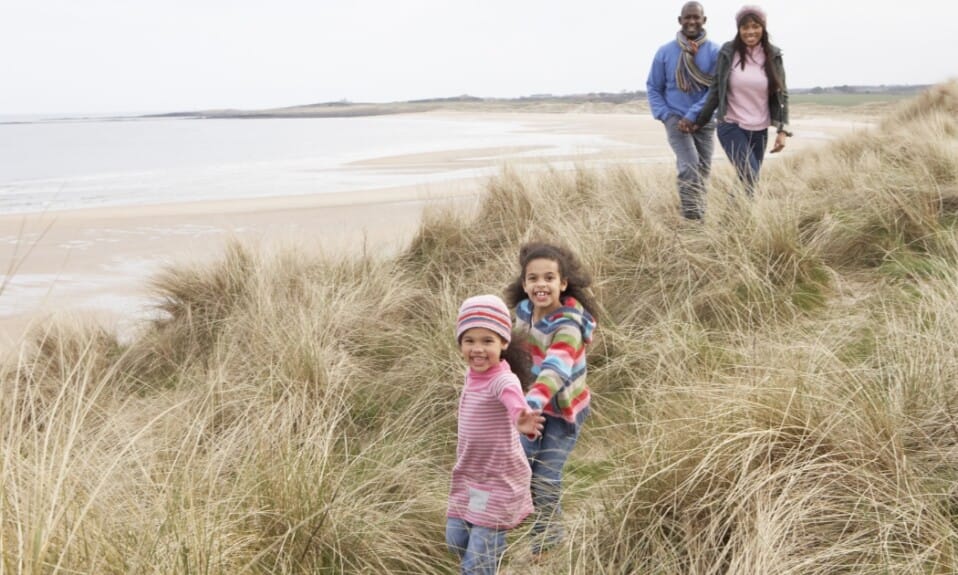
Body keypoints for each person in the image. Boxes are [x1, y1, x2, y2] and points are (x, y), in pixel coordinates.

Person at [504, 242, 598, 559]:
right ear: (524, 284)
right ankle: (502, 524)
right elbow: (512, 356)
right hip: (530, 408)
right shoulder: (523, 314)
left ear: (562, 283)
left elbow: (554, 371)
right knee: (519, 465)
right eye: (533, 278)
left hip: (563, 414)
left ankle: (547, 542)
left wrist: (529, 404)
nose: (540, 285)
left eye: (548, 278)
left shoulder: (568, 325)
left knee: (545, 477)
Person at [446, 294, 545, 575]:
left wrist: (521, 418)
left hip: (498, 481)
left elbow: (513, 400)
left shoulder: (503, 379)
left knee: (477, 563)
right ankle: (490, 553)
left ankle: (487, 560)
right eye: (470, 340)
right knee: (455, 540)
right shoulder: (472, 374)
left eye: (487, 341)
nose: (478, 349)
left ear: (503, 343)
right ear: (461, 344)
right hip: (472, 477)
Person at [693, 5, 792, 197]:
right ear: (739, 29)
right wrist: (700, 121)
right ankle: (734, 222)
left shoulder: (773, 55)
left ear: (763, 27)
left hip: (759, 129)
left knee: (747, 182)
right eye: (745, 27)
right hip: (731, 125)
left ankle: (732, 223)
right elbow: (715, 89)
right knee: (749, 175)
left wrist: (783, 131)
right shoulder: (728, 52)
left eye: (755, 26)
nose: (750, 31)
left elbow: (782, 94)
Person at [647, 1, 721, 221]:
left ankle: (699, 213)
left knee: (703, 170)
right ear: (680, 21)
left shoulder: (716, 52)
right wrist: (666, 116)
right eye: (687, 17)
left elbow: (716, 89)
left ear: (704, 20)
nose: (691, 21)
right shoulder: (665, 52)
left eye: (696, 17)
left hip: (705, 120)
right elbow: (653, 86)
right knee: (689, 168)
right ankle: (693, 223)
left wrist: (695, 114)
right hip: (676, 120)